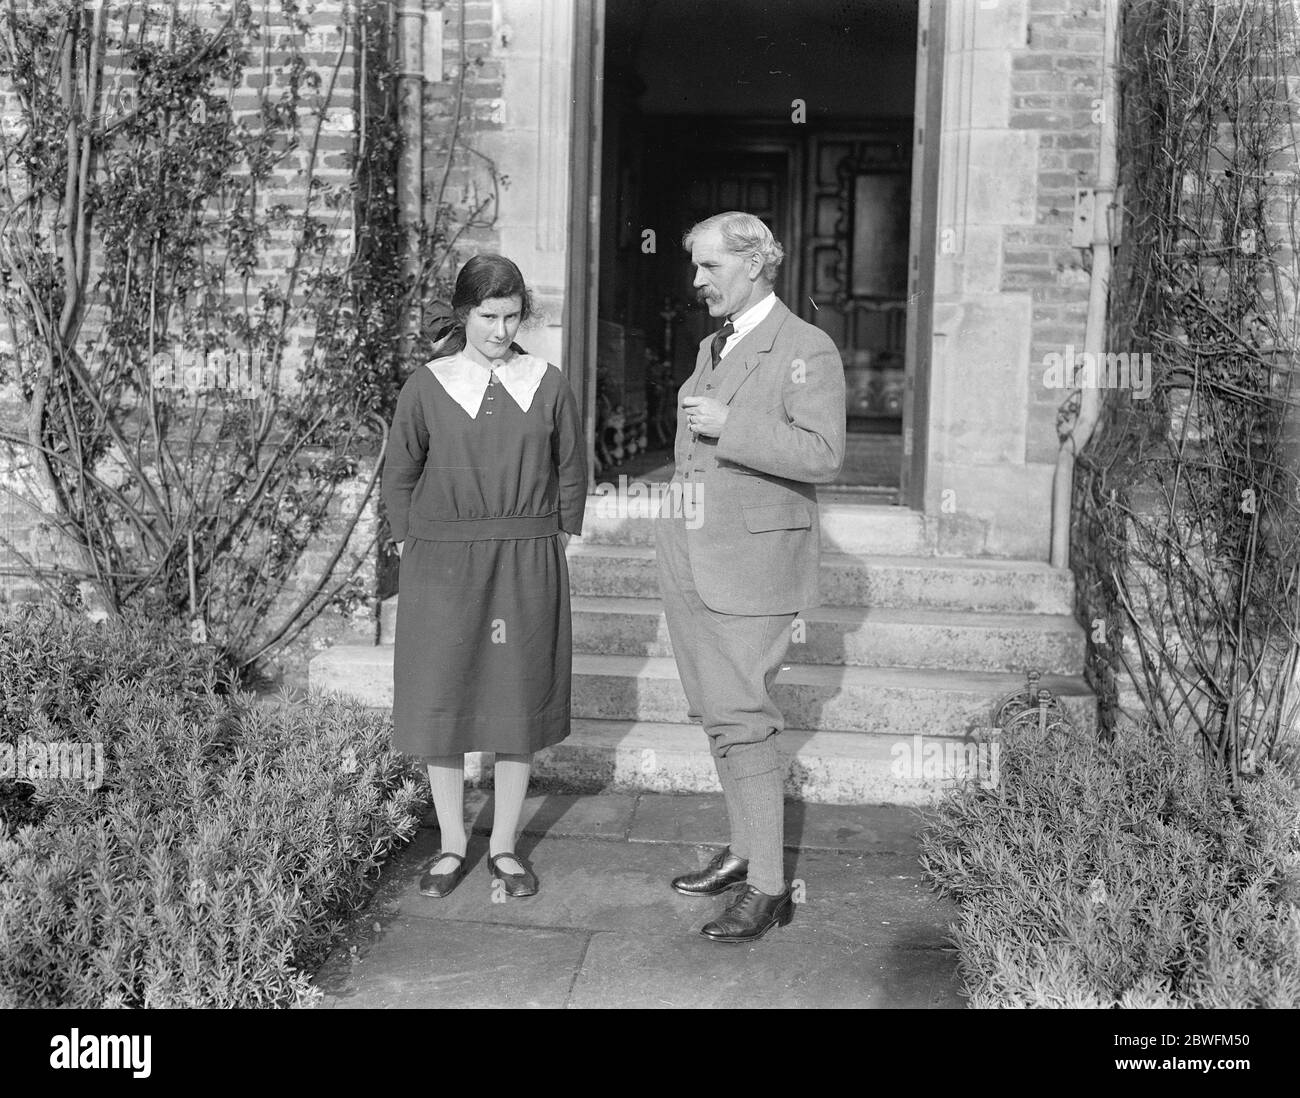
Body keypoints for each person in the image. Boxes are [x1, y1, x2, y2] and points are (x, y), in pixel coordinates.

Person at [655, 211, 846, 942]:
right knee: (718, 713)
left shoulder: (805, 346)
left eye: (710, 267)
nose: (696, 280)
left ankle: (768, 887)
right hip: (694, 557)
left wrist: (729, 423)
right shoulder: (717, 342)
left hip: (753, 566)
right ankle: (744, 851)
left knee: (743, 718)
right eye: (695, 266)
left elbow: (825, 453)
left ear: (756, 264)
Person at [381, 254, 587, 899]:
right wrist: (410, 544)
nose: (500, 330)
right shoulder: (428, 384)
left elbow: (573, 466)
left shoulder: (547, 382)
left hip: (525, 555)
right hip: (443, 559)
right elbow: (400, 472)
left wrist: (558, 536)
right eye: (487, 316)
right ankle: (448, 844)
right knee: (442, 695)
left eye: (511, 315)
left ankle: (503, 847)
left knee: (516, 697)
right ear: (463, 313)